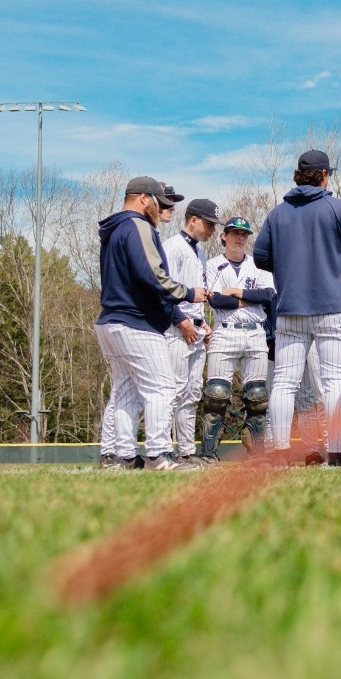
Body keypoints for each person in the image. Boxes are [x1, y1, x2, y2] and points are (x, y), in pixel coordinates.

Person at [253, 149, 341, 466]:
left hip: (291, 308)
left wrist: (287, 264)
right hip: (331, 306)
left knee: (284, 384)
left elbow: (260, 258)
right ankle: (338, 453)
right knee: (335, 382)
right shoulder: (339, 208)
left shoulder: (277, 214)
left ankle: (282, 452)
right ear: (325, 175)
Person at [94, 176, 206, 471]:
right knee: (162, 388)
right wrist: (188, 293)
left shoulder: (116, 227)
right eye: (159, 201)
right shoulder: (137, 225)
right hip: (135, 321)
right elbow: (151, 274)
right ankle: (158, 455)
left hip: (110, 320)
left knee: (126, 391)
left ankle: (126, 457)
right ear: (144, 198)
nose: (162, 208)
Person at [200, 213, 274, 460]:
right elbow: (216, 299)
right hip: (225, 331)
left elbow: (269, 295)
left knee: (257, 397)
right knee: (217, 395)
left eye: (244, 234)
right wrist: (245, 299)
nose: (240, 238)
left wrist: (236, 293)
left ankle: (256, 454)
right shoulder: (213, 264)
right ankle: (209, 454)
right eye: (235, 233)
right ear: (224, 236)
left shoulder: (258, 264)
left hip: (255, 332)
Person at [160, 191, 216, 462]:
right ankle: (162, 449)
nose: (212, 230)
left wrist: (203, 323)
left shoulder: (199, 252)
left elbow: (196, 294)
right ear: (193, 220)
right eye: (209, 224)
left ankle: (186, 451)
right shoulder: (173, 247)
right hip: (176, 329)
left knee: (192, 394)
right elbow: (162, 291)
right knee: (173, 392)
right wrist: (181, 322)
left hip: (195, 329)